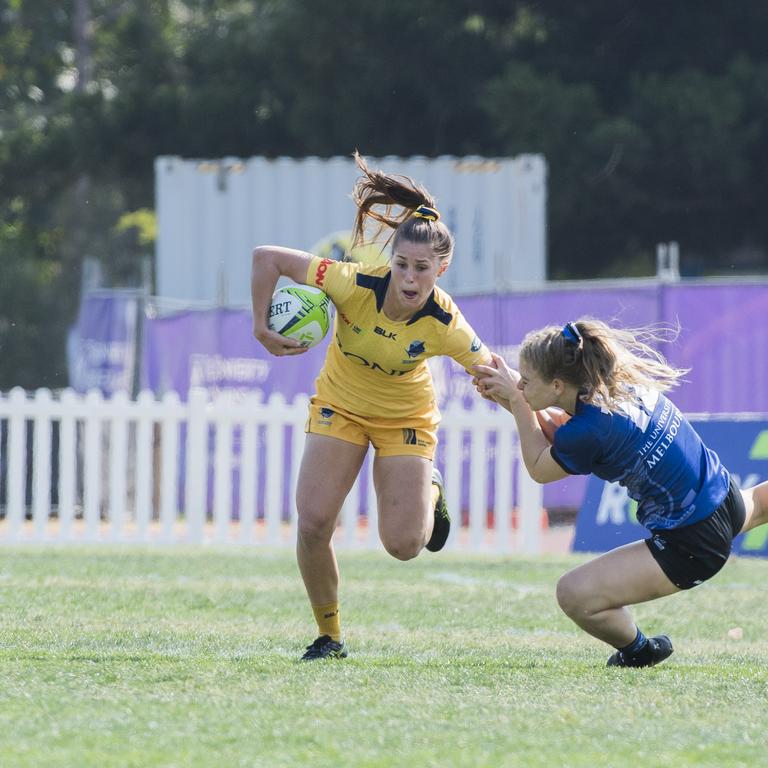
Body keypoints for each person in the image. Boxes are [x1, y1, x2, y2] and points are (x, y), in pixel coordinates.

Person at [251, 151, 491, 661]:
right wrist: (261, 329)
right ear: (390, 260)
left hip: (406, 416)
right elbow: (265, 257)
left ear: (441, 269)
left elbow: (493, 371)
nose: (409, 277)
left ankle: (431, 485)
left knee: (404, 545)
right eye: (401, 264)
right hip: (340, 402)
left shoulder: (447, 323)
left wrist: (538, 405)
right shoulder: (350, 281)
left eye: (421, 268)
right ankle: (329, 636)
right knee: (313, 522)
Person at [471, 318, 768, 667]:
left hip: (692, 543)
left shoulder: (589, 429)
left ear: (556, 385)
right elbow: (562, 433)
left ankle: (640, 650)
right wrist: (514, 398)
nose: (519, 384)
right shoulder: (612, 388)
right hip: (723, 497)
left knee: (575, 595)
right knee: (760, 506)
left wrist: (517, 404)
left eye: (526, 380)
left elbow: (539, 466)